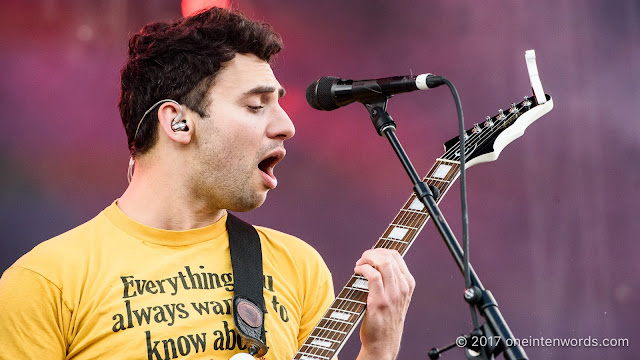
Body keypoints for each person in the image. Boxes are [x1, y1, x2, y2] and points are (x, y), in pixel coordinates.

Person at [0, 7, 414, 360]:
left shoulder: (299, 267)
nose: (286, 126)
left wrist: (378, 352)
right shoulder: (45, 281)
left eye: (280, 105)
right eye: (256, 105)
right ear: (178, 122)